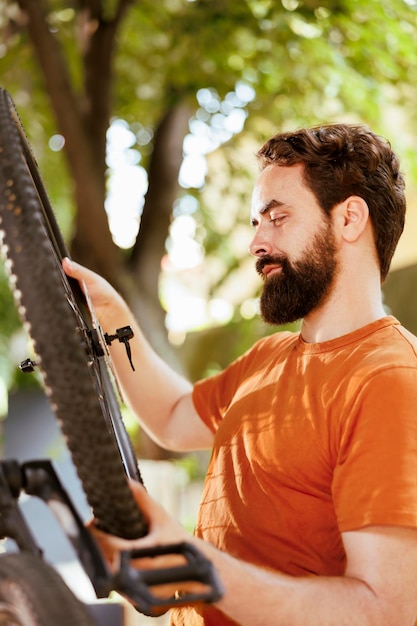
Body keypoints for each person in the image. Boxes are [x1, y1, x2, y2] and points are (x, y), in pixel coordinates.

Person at [63, 123, 417, 626]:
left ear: (350, 218)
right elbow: (171, 416)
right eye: (256, 222)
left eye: (277, 218)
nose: (256, 242)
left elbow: (385, 612)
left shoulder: (391, 378)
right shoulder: (268, 357)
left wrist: (198, 566)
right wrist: (112, 314)